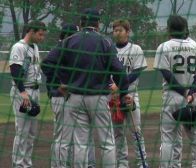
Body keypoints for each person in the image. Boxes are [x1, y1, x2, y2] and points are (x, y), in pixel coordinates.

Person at [42, 8, 132, 168]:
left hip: (74, 98)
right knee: (107, 142)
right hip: (98, 98)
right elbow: (119, 71)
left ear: (81, 23)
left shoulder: (69, 40)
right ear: (97, 24)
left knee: (80, 143)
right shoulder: (105, 42)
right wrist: (123, 93)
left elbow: (47, 63)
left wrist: (59, 84)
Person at [154, 15, 196, 168]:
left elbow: (167, 76)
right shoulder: (195, 46)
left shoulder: (164, 46)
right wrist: (191, 93)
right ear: (185, 28)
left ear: (169, 28)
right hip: (193, 98)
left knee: (168, 139)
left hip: (172, 97)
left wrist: (184, 92)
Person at [42, 23, 96, 168]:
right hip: (61, 97)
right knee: (63, 137)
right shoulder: (60, 49)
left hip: (71, 97)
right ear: (66, 36)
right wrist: (58, 85)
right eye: (74, 35)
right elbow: (45, 65)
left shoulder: (69, 50)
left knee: (77, 136)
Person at [110, 19, 148, 168]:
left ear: (127, 32)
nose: (117, 33)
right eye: (115, 30)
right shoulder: (109, 49)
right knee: (117, 132)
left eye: (120, 30)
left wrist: (121, 87)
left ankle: (142, 162)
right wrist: (116, 88)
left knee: (136, 131)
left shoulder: (136, 49)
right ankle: (122, 163)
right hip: (113, 95)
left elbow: (136, 72)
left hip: (131, 94)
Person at [9, 20, 46, 167]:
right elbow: (15, 71)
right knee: (22, 131)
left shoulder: (35, 47)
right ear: (31, 31)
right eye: (40, 34)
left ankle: (26, 164)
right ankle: (18, 165)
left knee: (31, 133)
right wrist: (23, 92)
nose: (42, 38)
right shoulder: (18, 47)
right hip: (23, 91)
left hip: (34, 90)